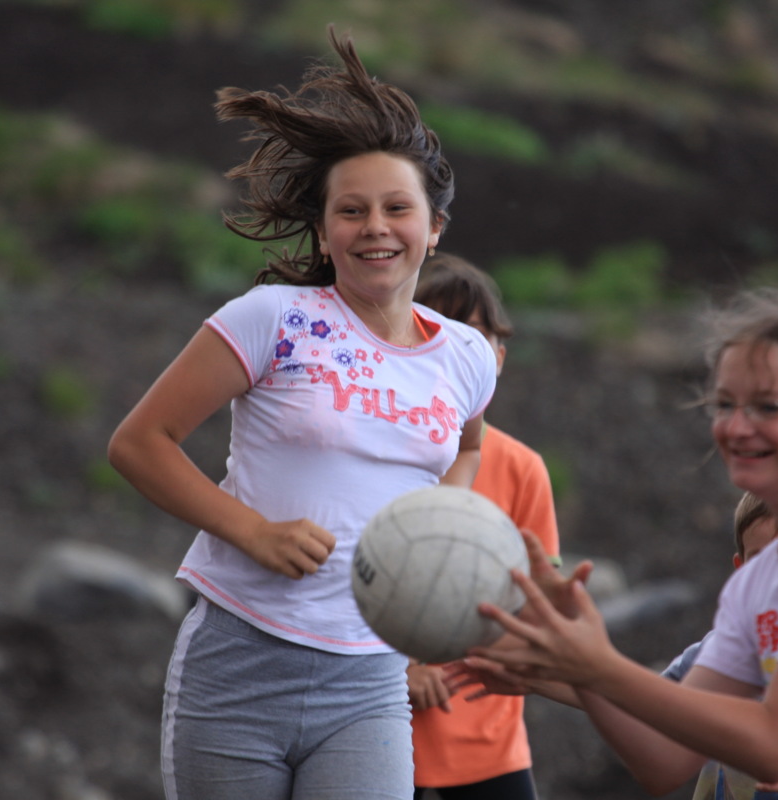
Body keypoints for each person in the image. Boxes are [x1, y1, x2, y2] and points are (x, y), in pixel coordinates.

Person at [106, 28, 498, 800]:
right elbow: (139, 443)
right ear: (324, 231)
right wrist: (251, 530)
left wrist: (435, 532)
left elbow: (470, 442)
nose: (375, 227)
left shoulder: (467, 355)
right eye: (351, 211)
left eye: (397, 208)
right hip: (239, 664)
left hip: (370, 678)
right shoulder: (272, 318)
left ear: (435, 228)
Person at [460, 287, 778, 800]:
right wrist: (577, 666)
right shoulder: (758, 581)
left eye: (767, 406)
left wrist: (598, 665)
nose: (736, 426)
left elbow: (774, 744)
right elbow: (665, 760)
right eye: (725, 404)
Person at [407, 252, 562, 800]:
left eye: (471, 336)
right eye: (434, 329)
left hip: (489, 744)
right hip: (380, 735)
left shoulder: (522, 467)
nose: (453, 348)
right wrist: (401, 669)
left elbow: (539, 597)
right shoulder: (380, 454)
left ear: (498, 355)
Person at [662, 492, 778, 800]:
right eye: (759, 558)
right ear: (741, 568)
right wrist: (556, 675)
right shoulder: (720, 650)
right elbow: (644, 701)